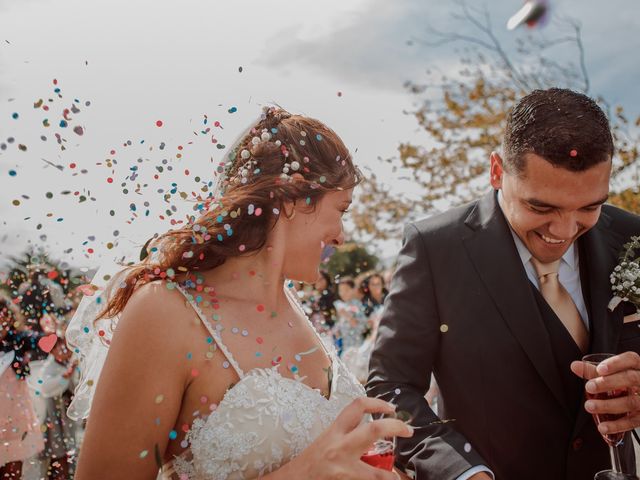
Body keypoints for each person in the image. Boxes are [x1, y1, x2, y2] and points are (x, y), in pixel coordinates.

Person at [68, 107, 413, 480]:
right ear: (292, 199)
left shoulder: (294, 307)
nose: (341, 236)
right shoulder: (167, 312)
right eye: (340, 210)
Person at [367, 88, 640, 479]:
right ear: (497, 171)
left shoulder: (633, 239)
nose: (563, 231)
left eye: (588, 207)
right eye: (540, 207)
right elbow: (391, 387)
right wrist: (460, 471)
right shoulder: (436, 249)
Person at [0, 294, 45, 479]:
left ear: (9, 316)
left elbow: (46, 343)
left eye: (2, 314)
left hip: (14, 421)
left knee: (11, 473)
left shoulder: (20, 340)